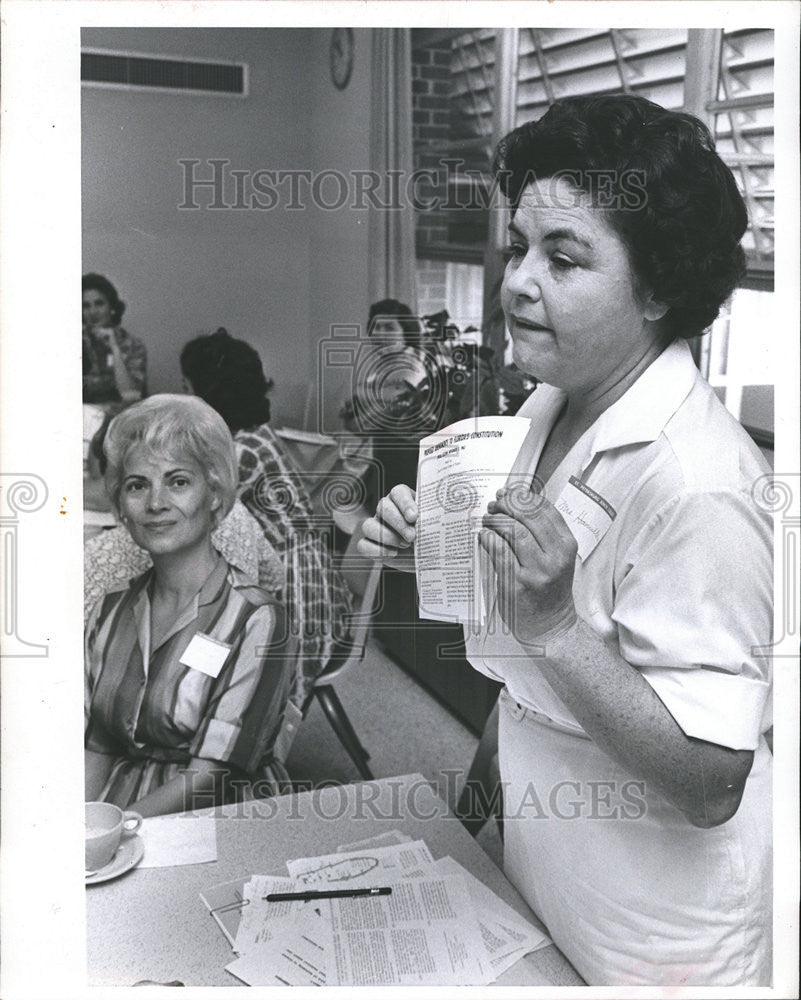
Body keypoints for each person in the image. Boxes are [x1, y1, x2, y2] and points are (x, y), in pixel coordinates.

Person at [360, 94, 772, 986]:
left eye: (563, 257)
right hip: (538, 861)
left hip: (656, 924)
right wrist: (474, 826)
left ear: (658, 286)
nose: (515, 280)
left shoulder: (698, 484)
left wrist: (553, 624)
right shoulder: (547, 405)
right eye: (518, 246)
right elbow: (527, 685)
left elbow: (711, 783)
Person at [84, 395, 296, 816]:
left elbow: (212, 776)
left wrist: (117, 833)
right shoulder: (108, 611)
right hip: (121, 806)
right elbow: (100, 743)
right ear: (121, 508)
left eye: (178, 481)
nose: (155, 502)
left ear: (214, 495)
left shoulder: (259, 619)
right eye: (137, 485)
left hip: (217, 817)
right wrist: (78, 826)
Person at [180, 329, 353, 705]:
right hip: (303, 577)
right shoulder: (255, 436)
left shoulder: (241, 451)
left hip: (294, 594)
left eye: (188, 389)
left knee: (194, 643)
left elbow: (191, 518)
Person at [82, 273, 147, 404]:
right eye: (86, 306)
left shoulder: (134, 345)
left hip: (122, 418)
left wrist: (114, 347)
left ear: (111, 307)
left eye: (99, 304)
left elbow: (130, 395)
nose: (93, 312)